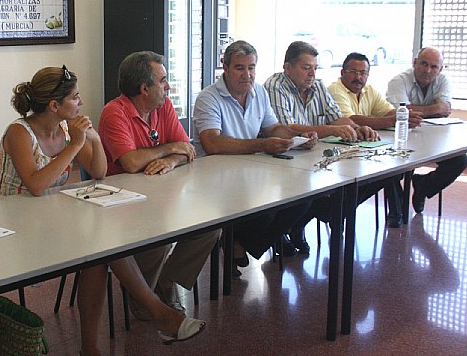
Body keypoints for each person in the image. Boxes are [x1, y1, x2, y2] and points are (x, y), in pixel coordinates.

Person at [0, 66, 205, 356]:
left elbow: (99, 172)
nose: (81, 102)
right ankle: (157, 312)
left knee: (98, 253)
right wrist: (76, 145)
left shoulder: (67, 129)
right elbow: (35, 184)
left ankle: (91, 347)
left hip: (51, 219)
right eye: (75, 97)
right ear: (55, 105)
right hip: (15, 227)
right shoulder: (20, 132)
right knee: (98, 248)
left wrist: (92, 139)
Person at [98, 51, 220, 316]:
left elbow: (186, 148)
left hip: (162, 195)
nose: (168, 87)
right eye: (163, 80)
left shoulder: (163, 106)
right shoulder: (114, 113)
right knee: (161, 234)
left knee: (211, 226)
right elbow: (130, 162)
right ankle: (141, 296)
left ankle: (167, 280)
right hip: (122, 203)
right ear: (144, 88)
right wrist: (171, 148)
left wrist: (173, 159)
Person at [192, 40, 317, 272]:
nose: (247, 75)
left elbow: (272, 128)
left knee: (301, 200)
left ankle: (239, 244)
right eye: (240, 68)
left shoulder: (258, 91)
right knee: (266, 210)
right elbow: (212, 143)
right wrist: (263, 144)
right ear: (225, 67)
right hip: (215, 179)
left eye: (251, 67)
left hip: (251, 172)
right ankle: (234, 242)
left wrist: (298, 137)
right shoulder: (208, 97)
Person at [264, 41, 385, 251]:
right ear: (287, 67)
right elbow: (287, 127)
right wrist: (330, 130)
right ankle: (280, 230)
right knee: (313, 192)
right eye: (306, 67)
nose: (312, 73)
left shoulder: (317, 86)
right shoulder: (275, 86)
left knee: (368, 179)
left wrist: (358, 127)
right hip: (282, 160)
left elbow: (336, 118)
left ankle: (302, 222)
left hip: (312, 159)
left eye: (315, 68)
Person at [328, 52, 423, 227]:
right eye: (353, 72)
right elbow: (352, 119)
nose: (359, 77)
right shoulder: (335, 90)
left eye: (363, 73)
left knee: (391, 168)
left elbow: (387, 111)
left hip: (362, 149)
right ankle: (341, 212)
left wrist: (405, 116)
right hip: (340, 156)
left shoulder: (369, 90)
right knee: (386, 170)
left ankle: (346, 212)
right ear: (342, 72)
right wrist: (391, 120)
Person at [386, 47, 467, 213]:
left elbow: (444, 111)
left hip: (432, 139)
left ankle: (423, 186)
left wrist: (415, 110)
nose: (428, 70)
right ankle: (397, 212)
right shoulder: (398, 81)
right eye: (423, 64)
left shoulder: (443, 81)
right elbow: (402, 113)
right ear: (414, 63)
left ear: (440, 69)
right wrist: (434, 108)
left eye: (434, 67)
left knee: (460, 160)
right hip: (401, 138)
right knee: (392, 170)